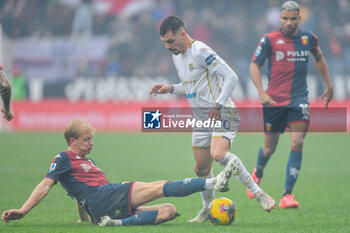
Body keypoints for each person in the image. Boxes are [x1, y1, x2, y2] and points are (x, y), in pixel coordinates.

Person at [149, 16, 275, 222]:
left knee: (218, 154)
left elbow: (231, 77)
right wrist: (170, 88)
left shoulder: (201, 51)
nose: (167, 46)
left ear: (182, 34)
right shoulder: (177, 56)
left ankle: (258, 193)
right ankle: (208, 209)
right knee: (201, 168)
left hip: (222, 110)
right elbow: (191, 85)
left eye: (170, 41)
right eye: (164, 43)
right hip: (202, 117)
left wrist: (218, 103)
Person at [2, 118, 240, 226]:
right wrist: (23, 211)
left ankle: (115, 223)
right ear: (72, 140)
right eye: (87, 139)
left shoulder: (86, 161)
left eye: (92, 139)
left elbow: (77, 194)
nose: (92, 143)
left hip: (102, 205)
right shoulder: (63, 157)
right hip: (104, 196)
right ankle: (213, 183)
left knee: (169, 211)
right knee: (158, 187)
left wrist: (85, 219)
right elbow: (45, 185)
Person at [247, 1, 333, 209]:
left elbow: (319, 57)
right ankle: (257, 173)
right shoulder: (269, 40)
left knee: (297, 143)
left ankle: (287, 195)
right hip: (274, 101)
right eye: (285, 18)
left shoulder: (308, 38)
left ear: (299, 19)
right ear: (280, 18)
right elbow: (254, 65)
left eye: (293, 19)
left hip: (299, 100)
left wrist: (329, 85)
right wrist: (261, 93)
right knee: (270, 148)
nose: (288, 22)